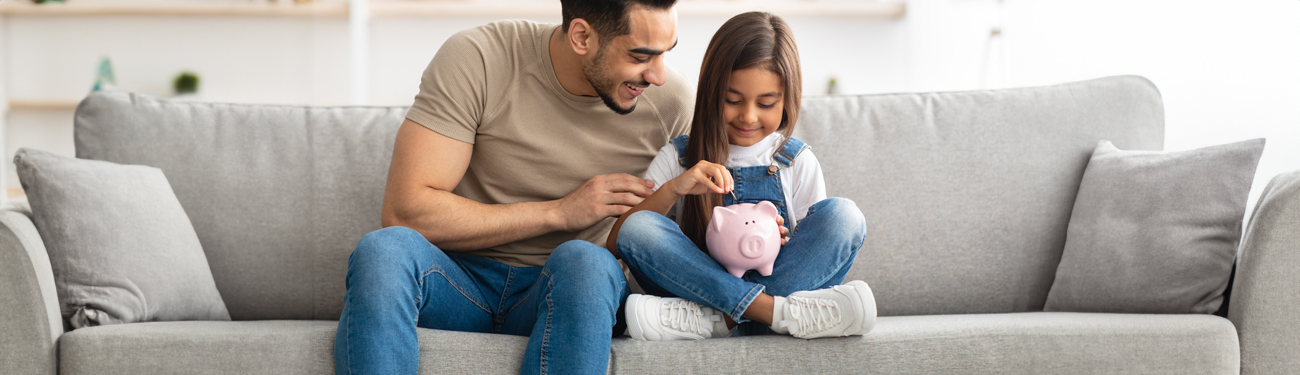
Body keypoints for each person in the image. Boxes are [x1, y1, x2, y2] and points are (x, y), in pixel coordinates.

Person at [333, 0, 693, 373]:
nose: (658, 75)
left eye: (666, 53)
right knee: (383, 251)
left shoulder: (673, 105)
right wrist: (559, 212)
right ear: (582, 36)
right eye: (640, 56)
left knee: (587, 261)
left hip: (565, 289)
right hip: (457, 282)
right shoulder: (480, 59)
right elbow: (405, 211)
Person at [607, 11, 876, 341]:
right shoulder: (679, 158)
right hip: (696, 287)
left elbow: (810, 254)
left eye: (766, 103)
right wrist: (675, 189)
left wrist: (783, 239)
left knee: (844, 217)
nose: (748, 116)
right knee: (640, 226)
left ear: (787, 101)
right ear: (711, 94)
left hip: (714, 301)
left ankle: (718, 320)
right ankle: (771, 314)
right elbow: (619, 240)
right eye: (732, 100)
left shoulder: (796, 161)